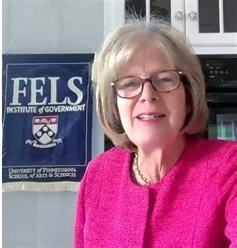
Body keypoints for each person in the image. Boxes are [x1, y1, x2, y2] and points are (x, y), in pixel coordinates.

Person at [74, 19, 237, 247]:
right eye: (129, 84)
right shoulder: (98, 175)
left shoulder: (229, 167)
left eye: (164, 79)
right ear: (114, 104)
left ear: (188, 97)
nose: (147, 95)